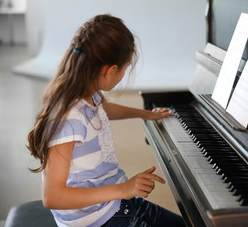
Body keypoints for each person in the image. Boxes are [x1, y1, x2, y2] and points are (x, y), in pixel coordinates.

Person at [27, 14, 186, 227]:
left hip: (113, 204)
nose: (123, 74)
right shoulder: (69, 118)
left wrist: (145, 113)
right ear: (110, 71)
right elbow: (52, 196)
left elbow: (103, 109)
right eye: (125, 68)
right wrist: (124, 189)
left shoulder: (86, 94)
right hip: (96, 219)